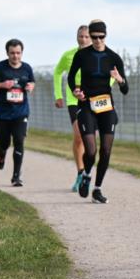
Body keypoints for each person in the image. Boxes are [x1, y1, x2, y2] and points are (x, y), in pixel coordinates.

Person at [67, 20, 127, 204]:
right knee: (91, 151)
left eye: (101, 37)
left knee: (106, 150)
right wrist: (75, 91)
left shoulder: (114, 57)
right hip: (86, 106)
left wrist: (120, 80)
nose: (98, 40)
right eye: (94, 37)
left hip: (106, 107)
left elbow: (125, 89)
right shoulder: (82, 55)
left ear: (105, 36)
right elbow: (71, 77)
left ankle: (97, 189)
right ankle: (86, 175)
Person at [0, 39, 35, 186]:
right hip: (2, 113)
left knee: (19, 141)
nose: (15, 56)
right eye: (12, 53)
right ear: (7, 53)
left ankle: (16, 177)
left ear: (22, 53)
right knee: (5, 142)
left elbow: (32, 82)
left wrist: (31, 87)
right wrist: (1, 85)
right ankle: (1, 154)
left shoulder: (27, 68)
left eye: (18, 53)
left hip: (21, 112)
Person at [53, 26, 93, 191]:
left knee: (90, 140)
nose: (83, 39)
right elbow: (57, 72)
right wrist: (58, 95)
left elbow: (110, 74)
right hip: (74, 100)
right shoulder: (68, 55)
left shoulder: (98, 55)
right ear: (77, 37)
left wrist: (106, 87)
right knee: (79, 137)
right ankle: (80, 172)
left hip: (93, 100)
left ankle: (88, 173)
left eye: (86, 37)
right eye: (81, 36)